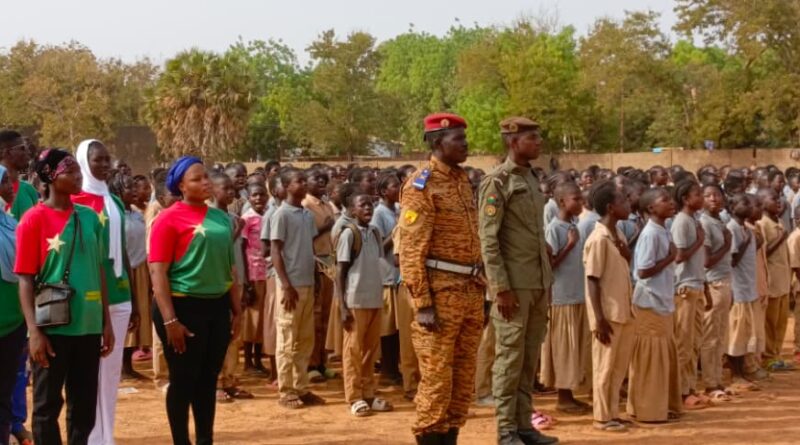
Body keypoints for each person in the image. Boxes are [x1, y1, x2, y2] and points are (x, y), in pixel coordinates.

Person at [15, 149, 113, 445]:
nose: (78, 176)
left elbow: (99, 270)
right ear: (50, 177)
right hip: (52, 327)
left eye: (77, 170)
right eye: (69, 171)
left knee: (83, 405)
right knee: (46, 406)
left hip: (88, 325)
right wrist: (33, 331)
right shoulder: (33, 220)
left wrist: (105, 322)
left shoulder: (89, 217)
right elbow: (25, 278)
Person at [398, 113, 484, 445]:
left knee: (462, 383)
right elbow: (411, 250)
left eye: (465, 138)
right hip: (439, 296)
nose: (465, 145)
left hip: (470, 293)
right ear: (437, 143)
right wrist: (422, 304)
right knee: (436, 383)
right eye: (458, 139)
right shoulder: (422, 185)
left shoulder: (461, 180)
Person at [149, 156, 242, 445]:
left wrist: (236, 311)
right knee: (184, 381)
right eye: (197, 179)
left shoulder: (221, 218)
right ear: (180, 186)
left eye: (206, 177)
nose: (205, 183)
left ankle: (205, 440)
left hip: (216, 306)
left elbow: (231, 268)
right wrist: (170, 320)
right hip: (182, 306)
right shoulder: (167, 218)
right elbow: (158, 271)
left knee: (207, 380)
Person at [478, 117, 555, 445]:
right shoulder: (497, 182)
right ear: (513, 141)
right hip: (514, 286)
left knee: (528, 359)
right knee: (509, 359)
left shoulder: (532, 178)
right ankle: (506, 430)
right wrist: (501, 288)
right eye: (532, 138)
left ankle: (524, 425)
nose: (538, 143)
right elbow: (489, 241)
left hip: (537, 284)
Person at [71, 139, 136, 445]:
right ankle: (91, 437)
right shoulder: (77, 200)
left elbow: (122, 248)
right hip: (91, 298)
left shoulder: (114, 201)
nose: (104, 165)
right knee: (89, 372)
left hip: (120, 294)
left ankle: (105, 435)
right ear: (84, 161)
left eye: (108, 160)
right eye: (98, 160)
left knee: (110, 375)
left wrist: (133, 297)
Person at [270, 169, 326, 409]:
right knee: (287, 339)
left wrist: (315, 278)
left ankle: (302, 387)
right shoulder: (281, 214)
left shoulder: (305, 214)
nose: (303, 185)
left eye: (305, 181)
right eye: (298, 181)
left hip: (307, 283)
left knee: (305, 339)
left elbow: (308, 249)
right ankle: (286, 390)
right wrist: (286, 284)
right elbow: (275, 250)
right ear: (285, 186)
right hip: (290, 286)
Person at [336, 191, 393, 416]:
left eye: (370, 204)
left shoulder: (376, 232)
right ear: (352, 210)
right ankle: (354, 396)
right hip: (355, 300)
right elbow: (340, 271)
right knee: (353, 351)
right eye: (362, 205)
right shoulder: (349, 234)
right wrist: (342, 306)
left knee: (371, 350)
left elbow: (377, 262)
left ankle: (369, 392)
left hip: (374, 299)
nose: (368, 209)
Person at [627, 188, 682, 423]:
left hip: (662, 299)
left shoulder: (663, 230)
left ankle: (662, 405)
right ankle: (648, 409)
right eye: (665, 200)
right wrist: (671, 257)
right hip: (650, 301)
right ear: (651, 208)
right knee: (650, 357)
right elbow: (643, 270)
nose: (671, 203)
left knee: (663, 355)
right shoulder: (650, 234)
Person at [583, 181, 633, 432]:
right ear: (611, 208)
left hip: (623, 310)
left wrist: (626, 253)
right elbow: (592, 279)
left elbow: (624, 266)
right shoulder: (598, 238)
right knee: (604, 366)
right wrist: (598, 319)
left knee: (618, 367)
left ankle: (613, 411)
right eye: (624, 201)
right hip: (608, 314)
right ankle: (602, 416)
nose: (629, 204)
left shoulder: (618, 234)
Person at [541, 182, 591, 416]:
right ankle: (563, 397)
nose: (580, 203)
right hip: (562, 297)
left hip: (577, 294)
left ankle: (570, 395)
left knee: (575, 348)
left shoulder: (573, 225)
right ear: (562, 202)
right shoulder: (555, 229)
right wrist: (570, 245)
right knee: (564, 347)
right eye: (576, 199)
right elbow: (548, 265)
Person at [0, 131, 36, 445]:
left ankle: (15, 422)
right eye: (21, 148)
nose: (27, 153)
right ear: (5, 152)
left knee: (17, 367)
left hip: (20, 295)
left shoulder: (27, 192)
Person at [210, 173, 252, 402]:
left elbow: (241, 252)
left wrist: (245, 283)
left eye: (231, 189)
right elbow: (223, 246)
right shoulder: (210, 218)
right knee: (218, 335)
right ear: (212, 191)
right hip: (219, 282)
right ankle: (216, 382)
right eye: (224, 188)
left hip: (236, 281)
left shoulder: (234, 217)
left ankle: (230, 379)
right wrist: (237, 230)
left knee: (234, 333)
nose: (230, 192)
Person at [670, 180, 710, 410]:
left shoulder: (693, 220)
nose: (702, 198)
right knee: (684, 343)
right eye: (698, 195)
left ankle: (691, 387)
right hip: (684, 288)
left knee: (695, 341)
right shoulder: (682, 222)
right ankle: (682, 392)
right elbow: (679, 256)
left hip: (696, 285)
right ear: (686, 199)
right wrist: (700, 242)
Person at [107, 173, 148, 381]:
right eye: (128, 188)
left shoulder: (136, 214)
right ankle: (121, 365)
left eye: (134, 187)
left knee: (137, 315)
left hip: (140, 269)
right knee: (124, 312)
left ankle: (128, 364)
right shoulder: (113, 216)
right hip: (123, 269)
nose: (133, 191)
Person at [699, 183, 734, 401]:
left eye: (717, 195)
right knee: (710, 336)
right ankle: (710, 383)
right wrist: (726, 245)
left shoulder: (719, 221)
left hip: (725, 281)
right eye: (708, 196)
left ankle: (718, 379)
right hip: (713, 284)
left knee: (721, 335)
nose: (713, 199)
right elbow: (707, 261)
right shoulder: (704, 223)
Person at [301, 168, 336, 383]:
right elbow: (307, 235)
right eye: (317, 179)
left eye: (324, 179)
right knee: (313, 316)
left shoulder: (326, 204)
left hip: (329, 262)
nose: (321, 182)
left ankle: (323, 362)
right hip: (314, 262)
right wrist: (325, 228)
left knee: (325, 317)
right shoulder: (305, 205)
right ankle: (311, 364)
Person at [726, 193, 762, 390]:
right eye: (744, 203)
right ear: (733, 206)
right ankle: (735, 374)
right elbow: (732, 260)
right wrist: (747, 241)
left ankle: (743, 371)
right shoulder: (732, 228)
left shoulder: (745, 228)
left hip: (748, 287)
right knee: (736, 334)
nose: (749, 207)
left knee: (746, 332)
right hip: (737, 288)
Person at [0, 164, 25, 445]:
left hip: (13, 323)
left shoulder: (11, 223)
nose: (10, 186)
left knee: (5, 393)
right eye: (4, 181)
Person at [756, 187, 793, 371]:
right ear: (762, 203)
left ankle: (777, 354)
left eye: (778, 199)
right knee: (769, 322)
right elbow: (764, 252)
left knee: (781, 321)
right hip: (771, 282)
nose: (778, 202)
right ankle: (768, 356)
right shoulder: (762, 224)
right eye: (773, 199)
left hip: (783, 280)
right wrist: (780, 239)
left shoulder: (779, 222)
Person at [371, 172, 402, 386]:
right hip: (386, 276)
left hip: (399, 276)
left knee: (398, 329)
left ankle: (394, 368)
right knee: (388, 328)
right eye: (394, 186)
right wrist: (397, 231)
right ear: (383, 192)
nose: (399, 189)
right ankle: (387, 370)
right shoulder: (379, 214)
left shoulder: (398, 210)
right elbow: (378, 247)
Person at [241, 182, 269, 377]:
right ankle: (249, 361)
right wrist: (246, 279)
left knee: (262, 319)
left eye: (262, 195)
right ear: (249, 198)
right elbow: (242, 248)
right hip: (253, 271)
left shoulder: (268, 216)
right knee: (252, 318)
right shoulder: (247, 219)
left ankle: (259, 359)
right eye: (254, 195)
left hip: (267, 271)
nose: (258, 198)